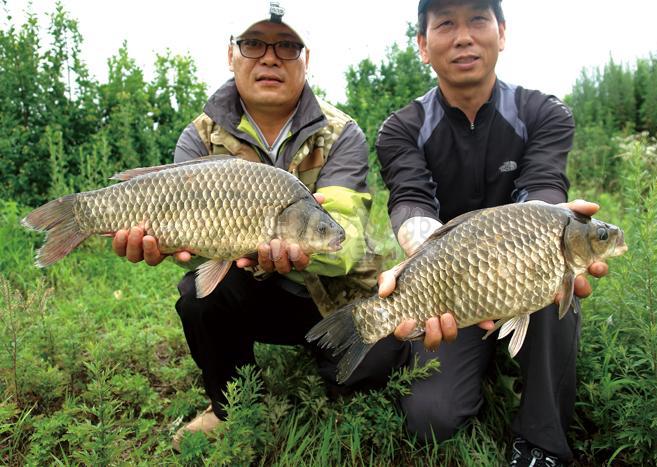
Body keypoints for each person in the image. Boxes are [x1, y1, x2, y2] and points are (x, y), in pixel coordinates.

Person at [111, 1, 382, 451]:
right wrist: (162, 242)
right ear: (231, 53)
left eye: (287, 46)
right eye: (254, 43)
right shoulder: (199, 137)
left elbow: (341, 239)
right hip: (245, 289)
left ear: (306, 59)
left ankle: (328, 356)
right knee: (198, 295)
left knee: (375, 375)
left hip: (328, 299)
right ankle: (229, 406)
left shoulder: (342, 134)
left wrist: (302, 246)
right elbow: (187, 242)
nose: (270, 57)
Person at [373, 0, 609, 465]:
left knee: (560, 273)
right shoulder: (401, 129)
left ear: (501, 33)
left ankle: (543, 442)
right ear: (422, 45)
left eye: (478, 20)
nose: (463, 36)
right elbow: (411, 203)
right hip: (450, 289)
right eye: (445, 24)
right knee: (429, 420)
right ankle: (479, 359)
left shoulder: (544, 112)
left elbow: (541, 191)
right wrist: (432, 260)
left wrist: (544, 228)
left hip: (525, 274)